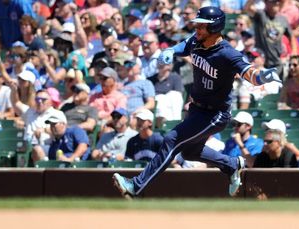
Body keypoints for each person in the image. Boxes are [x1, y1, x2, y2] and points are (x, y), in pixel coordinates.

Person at [112, 6, 281, 199]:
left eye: (202, 26)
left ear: (215, 27)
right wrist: (171, 50)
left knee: (171, 140)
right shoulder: (197, 41)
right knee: (190, 152)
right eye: (197, 25)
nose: (197, 29)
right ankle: (232, 165)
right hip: (197, 109)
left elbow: (248, 72)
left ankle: (136, 186)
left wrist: (261, 77)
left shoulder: (227, 53)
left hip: (216, 114)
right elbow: (184, 45)